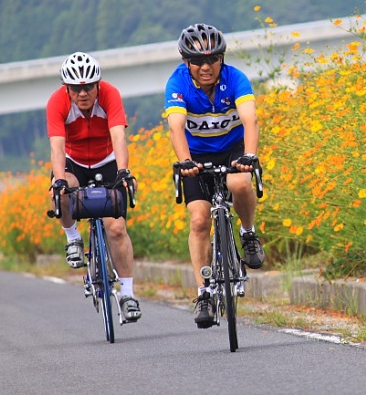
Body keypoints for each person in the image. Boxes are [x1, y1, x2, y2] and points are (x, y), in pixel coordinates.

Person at [164, 23, 265, 329]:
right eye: (198, 61)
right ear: (186, 63)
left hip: (233, 148)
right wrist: (185, 162)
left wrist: (249, 155)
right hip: (195, 157)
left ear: (222, 58)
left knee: (239, 182)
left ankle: (247, 234)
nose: (206, 66)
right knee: (198, 219)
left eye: (213, 59)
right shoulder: (177, 83)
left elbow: (250, 119)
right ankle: (204, 293)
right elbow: (176, 126)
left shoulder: (235, 78)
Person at [46, 51, 142, 322]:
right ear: (67, 89)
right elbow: (57, 147)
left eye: (89, 86)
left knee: (117, 228)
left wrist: (123, 171)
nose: (83, 93)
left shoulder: (110, 94)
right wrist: (60, 178)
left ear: (98, 84)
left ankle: (127, 294)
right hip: (74, 162)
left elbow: (119, 136)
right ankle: (73, 237)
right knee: (60, 188)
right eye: (76, 88)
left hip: (107, 160)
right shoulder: (57, 102)